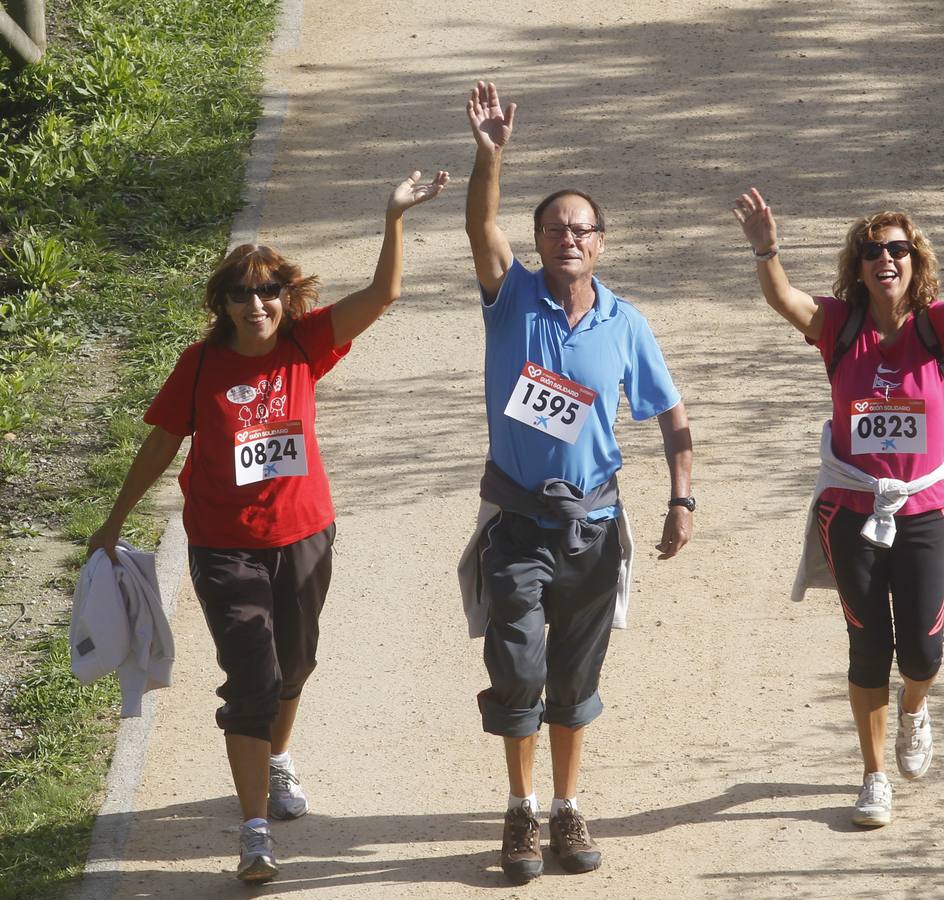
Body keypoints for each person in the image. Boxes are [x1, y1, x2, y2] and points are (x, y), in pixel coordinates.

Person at [87, 170, 448, 882]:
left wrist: (393, 217)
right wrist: (114, 521)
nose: (257, 303)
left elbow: (384, 296)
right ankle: (254, 833)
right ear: (221, 303)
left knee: (296, 664)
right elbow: (161, 443)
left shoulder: (306, 347)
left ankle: (277, 760)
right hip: (226, 547)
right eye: (242, 293)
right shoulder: (198, 366)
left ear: (286, 298)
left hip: (306, 534)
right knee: (252, 672)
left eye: (269, 291)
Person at [459, 81, 693, 883]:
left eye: (583, 228)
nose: (570, 237)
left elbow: (668, 411)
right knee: (519, 664)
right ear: (538, 239)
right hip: (519, 524)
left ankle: (565, 807)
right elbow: (480, 225)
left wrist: (681, 495)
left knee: (574, 676)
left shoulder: (625, 323)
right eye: (556, 226)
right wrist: (490, 155)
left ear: (601, 244)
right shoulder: (511, 297)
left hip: (594, 526)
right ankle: (519, 810)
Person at [732, 187, 944, 828]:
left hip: (925, 506)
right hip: (850, 508)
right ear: (858, 266)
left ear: (915, 261)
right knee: (867, 643)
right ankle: (874, 775)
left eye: (898, 249)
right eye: (873, 250)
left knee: (923, 654)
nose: (886, 258)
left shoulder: (935, 326)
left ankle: (915, 709)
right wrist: (767, 248)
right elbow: (783, 299)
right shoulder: (839, 325)